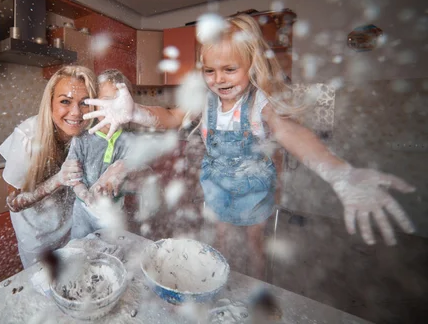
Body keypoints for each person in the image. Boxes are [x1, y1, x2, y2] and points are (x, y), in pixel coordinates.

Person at [83, 14, 415, 275]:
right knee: (222, 239)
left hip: (254, 185)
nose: (219, 79)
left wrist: (338, 172)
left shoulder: (259, 104)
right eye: (210, 70)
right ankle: (225, 281)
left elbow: (289, 132)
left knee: (255, 243)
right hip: (216, 183)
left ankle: (256, 286)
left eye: (230, 69)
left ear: (250, 65)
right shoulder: (205, 101)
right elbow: (170, 116)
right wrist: (136, 112)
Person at [0, 66, 97, 268]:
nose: (76, 112)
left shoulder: (89, 135)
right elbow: (13, 203)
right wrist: (57, 181)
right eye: (65, 101)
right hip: (37, 238)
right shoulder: (28, 137)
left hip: (74, 230)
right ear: (50, 103)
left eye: (84, 103)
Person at [67, 69, 136, 239]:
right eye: (105, 101)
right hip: (82, 214)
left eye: (119, 102)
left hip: (114, 214)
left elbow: (136, 175)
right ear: (94, 104)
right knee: (82, 254)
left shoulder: (131, 141)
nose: (112, 108)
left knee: (113, 253)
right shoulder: (82, 139)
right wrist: (87, 197)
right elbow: (73, 177)